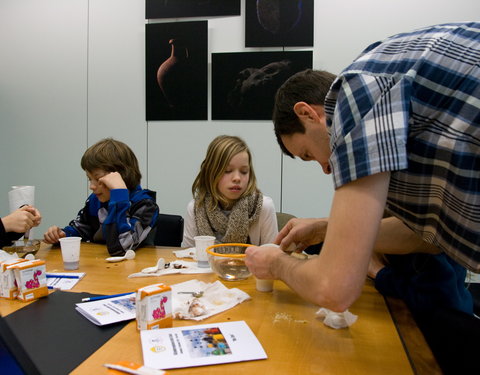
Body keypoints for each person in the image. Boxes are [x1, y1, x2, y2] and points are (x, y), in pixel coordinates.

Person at [43, 138, 159, 256]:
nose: (92, 186)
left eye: (98, 179)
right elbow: (81, 229)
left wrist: (118, 194)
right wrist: (63, 235)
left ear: (120, 177)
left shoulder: (145, 205)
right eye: (89, 179)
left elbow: (121, 248)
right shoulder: (95, 199)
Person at [182, 135, 278, 247]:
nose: (237, 178)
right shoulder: (196, 208)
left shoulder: (263, 207)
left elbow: (274, 257)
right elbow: (188, 256)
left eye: (244, 171)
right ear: (211, 173)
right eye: (227, 171)